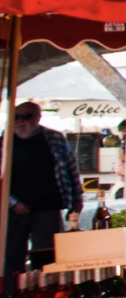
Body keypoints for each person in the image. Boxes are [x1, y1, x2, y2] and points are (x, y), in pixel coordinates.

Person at [6, 102, 84, 277]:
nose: (21, 121)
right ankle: (11, 297)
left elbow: (72, 169)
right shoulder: (5, 142)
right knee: (11, 259)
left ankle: (46, 296)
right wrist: (14, 203)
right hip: (14, 210)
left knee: (47, 258)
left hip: (48, 207)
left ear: (38, 118)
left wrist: (77, 198)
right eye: (17, 117)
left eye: (27, 117)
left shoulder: (55, 138)